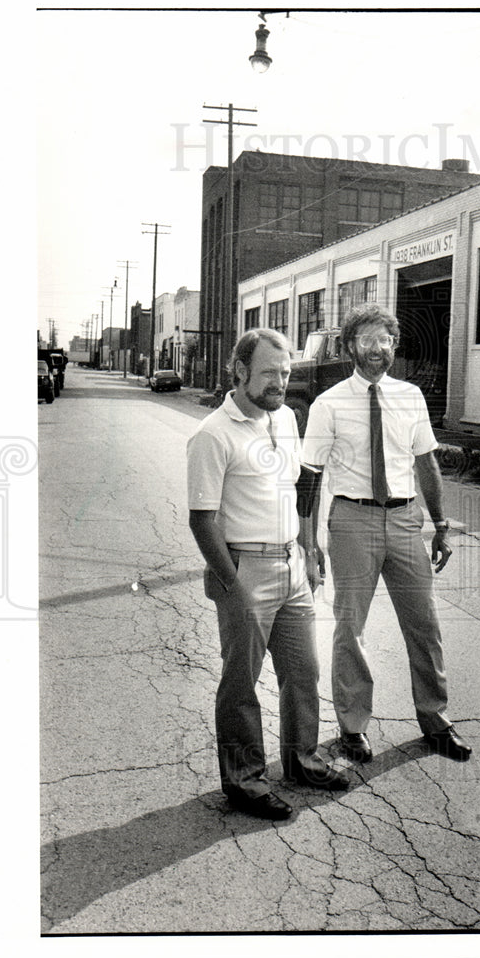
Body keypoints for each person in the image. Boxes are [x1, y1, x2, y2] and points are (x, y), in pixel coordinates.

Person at [297, 304, 472, 765]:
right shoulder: (328, 403)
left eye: (385, 341)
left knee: (424, 623)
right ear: (349, 346)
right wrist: (309, 541)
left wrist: (441, 524)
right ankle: (353, 727)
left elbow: (426, 462)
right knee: (350, 627)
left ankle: (435, 719)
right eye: (367, 340)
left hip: (404, 519)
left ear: (394, 346)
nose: (377, 350)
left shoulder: (410, 396)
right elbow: (309, 476)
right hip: (352, 520)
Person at [187, 328, 349, 821]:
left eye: (285, 372)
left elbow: (298, 488)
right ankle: (244, 780)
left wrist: (308, 546)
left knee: (303, 673)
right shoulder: (213, 434)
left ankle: (302, 760)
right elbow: (201, 519)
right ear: (239, 371)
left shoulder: (286, 418)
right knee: (241, 684)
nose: (280, 381)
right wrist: (232, 583)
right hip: (244, 569)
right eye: (269, 373)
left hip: (291, 564)